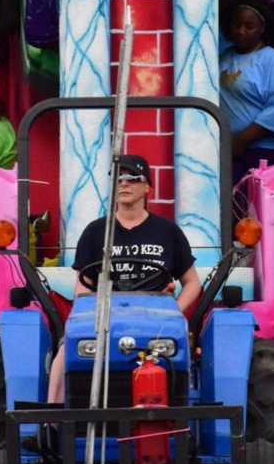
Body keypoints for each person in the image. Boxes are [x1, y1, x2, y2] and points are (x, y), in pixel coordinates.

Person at [47, 155, 202, 402]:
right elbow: (82, 284)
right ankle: (52, 424)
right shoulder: (95, 232)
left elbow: (192, 282)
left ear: (148, 187)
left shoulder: (168, 231)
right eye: (118, 179)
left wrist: (174, 312)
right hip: (105, 316)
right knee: (65, 352)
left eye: (132, 178)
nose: (124, 184)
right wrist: (90, 310)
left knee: (184, 346)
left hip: (156, 319)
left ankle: (185, 422)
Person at [219, 0, 274, 182]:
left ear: (262, 28)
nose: (241, 31)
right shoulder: (225, 57)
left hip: (265, 153)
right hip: (232, 150)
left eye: (249, 26)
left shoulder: (271, 60)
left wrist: (242, 140)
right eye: (236, 25)